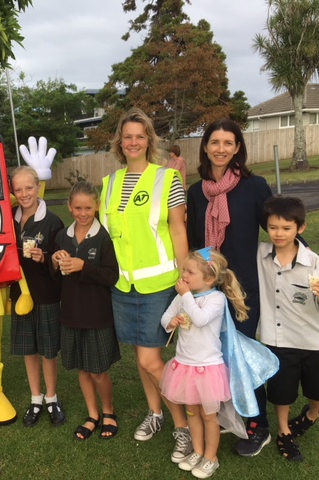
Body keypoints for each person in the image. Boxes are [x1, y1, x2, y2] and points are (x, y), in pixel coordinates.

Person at [100, 108, 191, 461]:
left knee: (151, 360)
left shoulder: (168, 179)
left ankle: (182, 425)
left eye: (140, 136)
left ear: (149, 141)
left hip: (159, 285)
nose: (133, 142)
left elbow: (179, 229)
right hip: (123, 287)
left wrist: (186, 279)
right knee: (141, 356)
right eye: (127, 136)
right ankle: (155, 414)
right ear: (119, 143)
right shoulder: (107, 184)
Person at [186, 118, 274, 457]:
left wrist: (305, 257)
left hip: (242, 291)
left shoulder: (255, 186)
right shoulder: (197, 192)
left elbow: (278, 227)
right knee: (215, 357)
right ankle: (227, 414)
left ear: (238, 148)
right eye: (215, 142)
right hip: (209, 292)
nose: (221, 149)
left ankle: (259, 425)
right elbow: (197, 242)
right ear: (205, 146)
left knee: (244, 358)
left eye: (228, 143)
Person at [257, 196, 319, 462]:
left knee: (318, 390)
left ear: (300, 229)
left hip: (310, 339)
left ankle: (312, 414)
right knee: (282, 391)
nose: (279, 233)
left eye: (286, 228)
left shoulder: (314, 262)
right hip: (278, 339)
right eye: (273, 227)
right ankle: (284, 431)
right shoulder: (260, 255)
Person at [160, 248, 250, 478]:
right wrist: (172, 322)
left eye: (190, 272)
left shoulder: (216, 299)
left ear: (209, 279)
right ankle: (198, 451)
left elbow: (200, 320)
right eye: (184, 271)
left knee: (209, 416)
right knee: (192, 412)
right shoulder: (183, 296)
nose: (184, 276)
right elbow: (164, 319)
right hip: (184, 365)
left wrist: (186, 296)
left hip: (207, 368)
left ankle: (211, 457)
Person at [52, 181, 120, 440]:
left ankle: (109, 411)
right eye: (78, 207)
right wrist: (54, 261)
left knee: (98, 370)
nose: (82, 213)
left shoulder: (104, 236)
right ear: (69, 207)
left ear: (97, 206)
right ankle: (92, 415)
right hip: (71, 312)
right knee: (82, 368)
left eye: (88, 208)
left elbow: (111, 276)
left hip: (97, 314)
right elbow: (56, 277)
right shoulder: (62, 236)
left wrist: (84, 266)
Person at [10, 166, 66, 427]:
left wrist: (45, 259)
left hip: (46, 294)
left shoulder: (52, 221)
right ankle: (36, 398)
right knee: (28, 349)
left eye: (29, 187)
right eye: (18, 189)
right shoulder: (8, 218)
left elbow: (61, 264)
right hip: (20, 294)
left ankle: (52, 398)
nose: (24, 194)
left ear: (38, 187)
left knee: (47, 350)